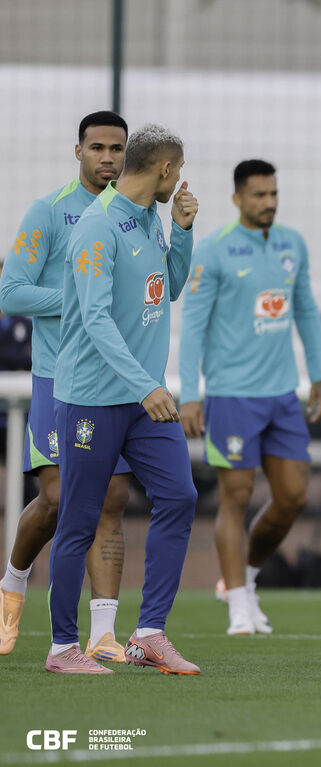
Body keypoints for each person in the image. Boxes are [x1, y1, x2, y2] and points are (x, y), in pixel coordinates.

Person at [47, 123, 200, 675]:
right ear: (163, 169)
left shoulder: (151, 221)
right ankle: (63, 646)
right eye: (177, 171)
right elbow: (93, 319)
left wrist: (182, 230)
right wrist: (147, 387)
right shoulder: (97, 226)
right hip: (94, 399)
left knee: (180, 496)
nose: (180, 181)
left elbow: (171, 287)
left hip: (143, 400)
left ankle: (149, 633)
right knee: (80, 520)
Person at [0, 111, 133, 663]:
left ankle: (103, 633)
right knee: (56, 499)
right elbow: (12, 292)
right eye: (97, 147)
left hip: (118, 380)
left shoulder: (136, 215)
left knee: (112, 500)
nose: (108, 157)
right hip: (61, 378)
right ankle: (12, 583)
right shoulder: (50, 212)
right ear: (77, 151)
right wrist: (77, 304)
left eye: (117, 149)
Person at [179, 159, 321, 636]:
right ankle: (239, 605)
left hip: (283, 394)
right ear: (238, 198)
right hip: (231, 395)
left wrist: (319, 376)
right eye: (259, 195)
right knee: (235, 497)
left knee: (292, 498)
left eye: (273, 194)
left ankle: (244, 578)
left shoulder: (292, 244)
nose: (268, 203)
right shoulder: (215, 249)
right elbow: (193, 326)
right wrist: (190, 394)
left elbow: (306, 308)